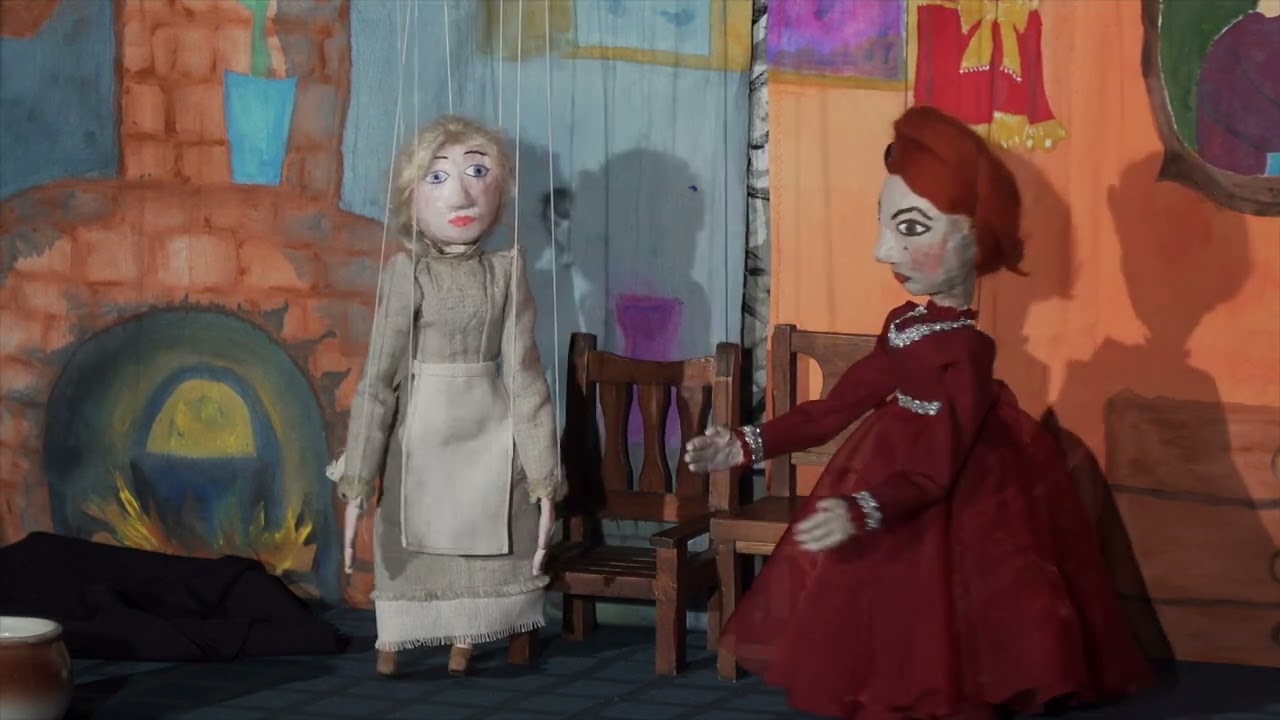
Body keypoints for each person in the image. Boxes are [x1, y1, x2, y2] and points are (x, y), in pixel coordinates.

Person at [684, 106, 1153, 719]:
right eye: (885, 225)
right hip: (894, 471)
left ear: (974, 237)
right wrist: (747, 443)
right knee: (899, 608)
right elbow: (835, 409)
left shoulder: (967, 353)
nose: (884, 251)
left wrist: (862, 508)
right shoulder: (904, 325)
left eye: (910, 228)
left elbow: (935, 472)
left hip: (952, 491)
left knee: (947, 610)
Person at [329, 115, 562, 677]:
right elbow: (378, 382)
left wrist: (544, 477)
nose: (460, 194)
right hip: (422, 432)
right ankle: (396, 640)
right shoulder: (408, 273)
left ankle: (467, 634)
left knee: (490, 529)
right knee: (410, 535)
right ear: (412, 195)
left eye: (477, 173)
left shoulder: (504, 274)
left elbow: (525, 377)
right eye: (437, 177)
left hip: (488, 431)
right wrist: (358, 478)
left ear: (500, 188)